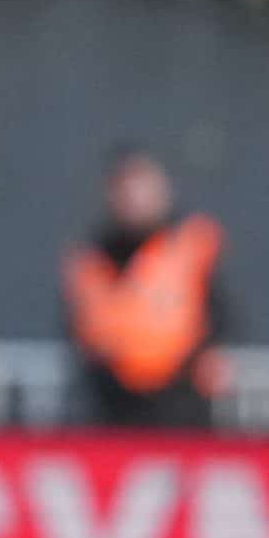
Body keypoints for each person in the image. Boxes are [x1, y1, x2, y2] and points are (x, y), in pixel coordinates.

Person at [63, 147, 231, 430]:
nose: (134, 199)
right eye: (125, 190)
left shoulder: (190, 244)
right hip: (112, 399)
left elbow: (222, 312)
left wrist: (212, 354)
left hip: (181, 397)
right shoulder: (93, 256)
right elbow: (77, 324)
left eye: (141, 188)